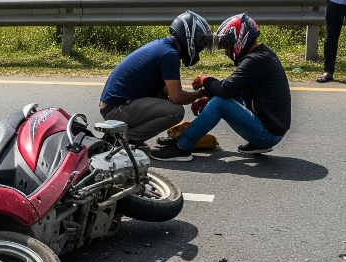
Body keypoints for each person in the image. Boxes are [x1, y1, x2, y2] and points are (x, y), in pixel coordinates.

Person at [151, 14, 291, 162]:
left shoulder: (256, 60)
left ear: (240, 38)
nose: (226, 50)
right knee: (220, 98)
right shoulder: (262, 56)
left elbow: (225, 89)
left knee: (219, 103)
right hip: (271, 128)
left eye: (228, 43)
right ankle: (257, 142)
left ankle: (181, 146)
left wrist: (205, 80)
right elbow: (234, 88)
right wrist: (208, 97)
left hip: (267, 134)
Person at [98, 10, 212, 150]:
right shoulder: (169, 55)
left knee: (165, 100)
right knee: (176, 111)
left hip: (112, 106)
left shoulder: (164, 47)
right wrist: (203, 92)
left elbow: (167, 89)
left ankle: (128, 135)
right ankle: (127, 137)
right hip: (115, 109)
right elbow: (177, 98)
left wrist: (191, 96)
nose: (199, 47)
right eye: (199, 42)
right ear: (189, 37)